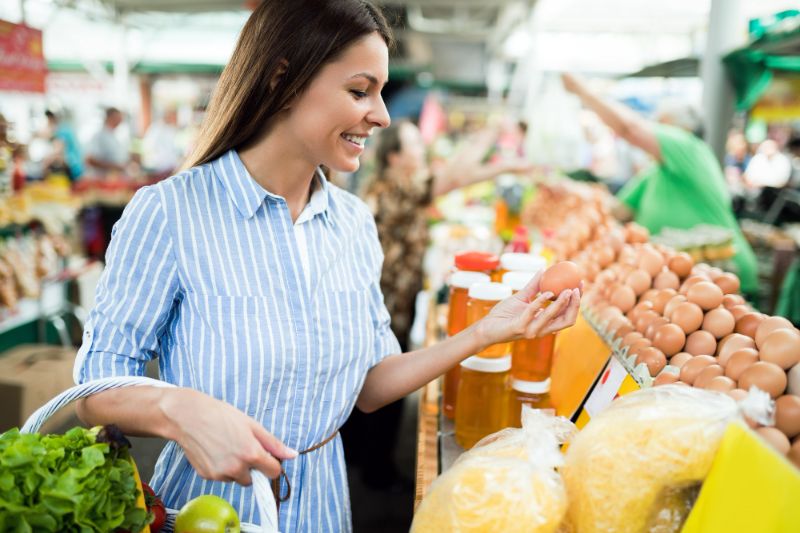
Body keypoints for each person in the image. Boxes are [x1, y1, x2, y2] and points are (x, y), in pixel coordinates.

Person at [72, 2, 581, 532]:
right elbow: (93, 393)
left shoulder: (353, 224)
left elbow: (369, 384)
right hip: (205, 512)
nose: (382, 115)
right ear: (283, 81)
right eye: (361, 91)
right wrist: (179, 409)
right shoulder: (171, 212)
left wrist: (484, 332)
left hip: (323, 508)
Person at [342, 119, 534, 490]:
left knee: (370, 381)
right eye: (414, 145)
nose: (422, 150)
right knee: (383, 385)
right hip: (385, 302)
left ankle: (361, 460)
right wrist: (492, 136)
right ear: (396, 157)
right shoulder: (398, 189)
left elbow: (455, 175)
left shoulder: (391, 186)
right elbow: (457, 175)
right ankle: (376, 473)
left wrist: (505, 164)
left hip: (390, 298)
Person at [562, 73, 759, 296]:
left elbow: (630, 129)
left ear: (680, 128)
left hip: (722, 272)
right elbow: (619, 211)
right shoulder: (657, 171)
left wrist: (583, 92)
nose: (654, 131)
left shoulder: (689, 147)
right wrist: (579, 196)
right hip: (681, 279)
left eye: (660, 124)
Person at [85, 107, 129, 175]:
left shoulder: (114, 135)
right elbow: (90, 160)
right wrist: (114, 167)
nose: (120, 120)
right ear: (110, 118)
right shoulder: (99, 136)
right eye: (118, 118)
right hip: (100, 179)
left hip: (114, 178)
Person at [42, 110, 84, 181]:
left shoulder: (62, 131)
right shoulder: (66, 128)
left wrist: (46, 163)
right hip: (77, 167)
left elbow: (58, 151)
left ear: (51, 119)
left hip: (72, 167)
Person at [142, 107, 183, 175]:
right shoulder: (155, 128)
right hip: (157, 166)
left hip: (170, 166)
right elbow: (148, 145)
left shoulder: (172, 129)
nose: (175, 119)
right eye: (173, 116)